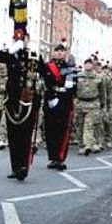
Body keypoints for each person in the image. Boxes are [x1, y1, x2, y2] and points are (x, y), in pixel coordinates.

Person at [0, 35, 45, 181]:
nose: (21, 41)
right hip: (12, 99)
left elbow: (45, 74)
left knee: (25, 134)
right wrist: (9, 50)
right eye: (17, 39)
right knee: (13, 134)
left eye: (24, 39)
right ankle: (15, 167)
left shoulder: (33, 57)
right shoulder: (10, 54)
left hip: (28, 99)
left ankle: (23, 166)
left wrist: (42, 91)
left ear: (28, 40)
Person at [42, 40, 77, 170]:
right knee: (50, 130)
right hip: (50, 101)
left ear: (65, 53)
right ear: (53, 52)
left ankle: (60, 158)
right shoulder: (47, 67)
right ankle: (52, 158)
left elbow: (72, 88)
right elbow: (43, 83)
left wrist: (61, 94)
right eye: (57, 51)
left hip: (64, 103)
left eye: (62, 51)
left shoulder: (70, 68)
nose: (59, 53)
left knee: (62, 131)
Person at [75, 58, 106, 155]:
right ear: (84, 65)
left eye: (90, 64)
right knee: (79, 125)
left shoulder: (99, 78)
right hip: (80, 103)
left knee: (89, 125)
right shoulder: (78, 76)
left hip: (93, 104)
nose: (88, 65)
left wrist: (102, 103)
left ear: (93, 66)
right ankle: (81, 145)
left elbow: (102, 92)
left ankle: (87, 145)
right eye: (86, 64)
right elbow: (73, 89)